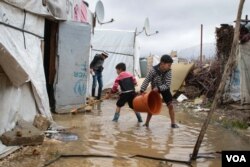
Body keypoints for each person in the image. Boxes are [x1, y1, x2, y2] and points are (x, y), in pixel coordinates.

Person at [140, 54, 179, 128]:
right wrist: (142, 90)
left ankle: (173, 123)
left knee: (170, 105)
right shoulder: (153, 70)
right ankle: (146, 123)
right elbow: (147, 80)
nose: (170, 67)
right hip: (154, 89)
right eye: (169, 65)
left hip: (164, 88)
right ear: (162, 63)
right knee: (151, 105)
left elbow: (167, 85)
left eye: (170, 65)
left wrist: (159, 88)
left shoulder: (168, 72)